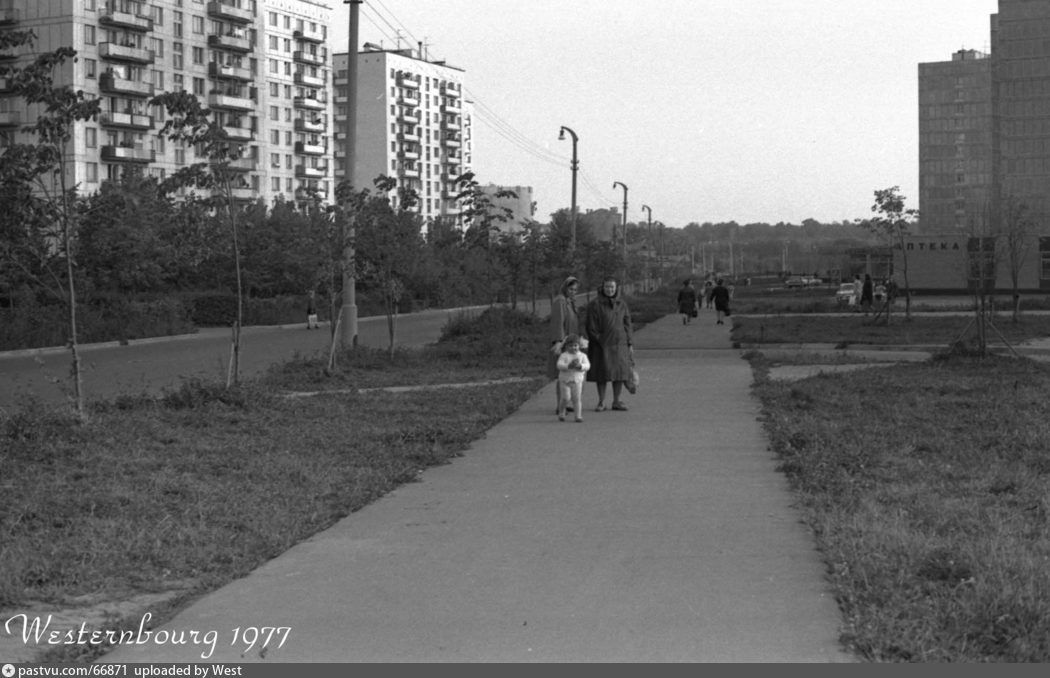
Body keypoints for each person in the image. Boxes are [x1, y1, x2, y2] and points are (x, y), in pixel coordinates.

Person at [585, 276, 634, 412]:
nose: (610, 289)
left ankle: (616, 401)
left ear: (616, 288)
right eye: (607, 287)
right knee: (602, 374)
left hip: (620, 345)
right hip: (601, 345)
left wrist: (629, 342)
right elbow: (591, 327)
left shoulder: (622, 304)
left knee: (618, 374)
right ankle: (601, 402)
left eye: (612, 287)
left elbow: (628, 323)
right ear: (602, 287)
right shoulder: (594, 305)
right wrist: (601, 340)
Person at [548, 275, 581, 414]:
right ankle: (559, 406)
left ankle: (565, 403)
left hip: (570, 343)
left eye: (575, 289)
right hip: (562, 343)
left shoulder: (569, 302)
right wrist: (558, 342)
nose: (573, 291)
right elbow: (558, 323)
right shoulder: (560, 301)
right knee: (562, 375)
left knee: (569, 375)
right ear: (565, 287)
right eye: (570, 288)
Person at [555, 334, 590, 423]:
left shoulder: (582, 356)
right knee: (566, 398)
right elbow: (559, 365)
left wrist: (581, 366)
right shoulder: (564, 355)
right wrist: (568, 366)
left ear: (579, 346)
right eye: (570, 346)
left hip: (577, 381)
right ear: (566, 346)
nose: (573, 348)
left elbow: (588, 366)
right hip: (565, 381)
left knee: (577, 398)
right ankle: (561, 412)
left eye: (575, 345)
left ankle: (578, 416)